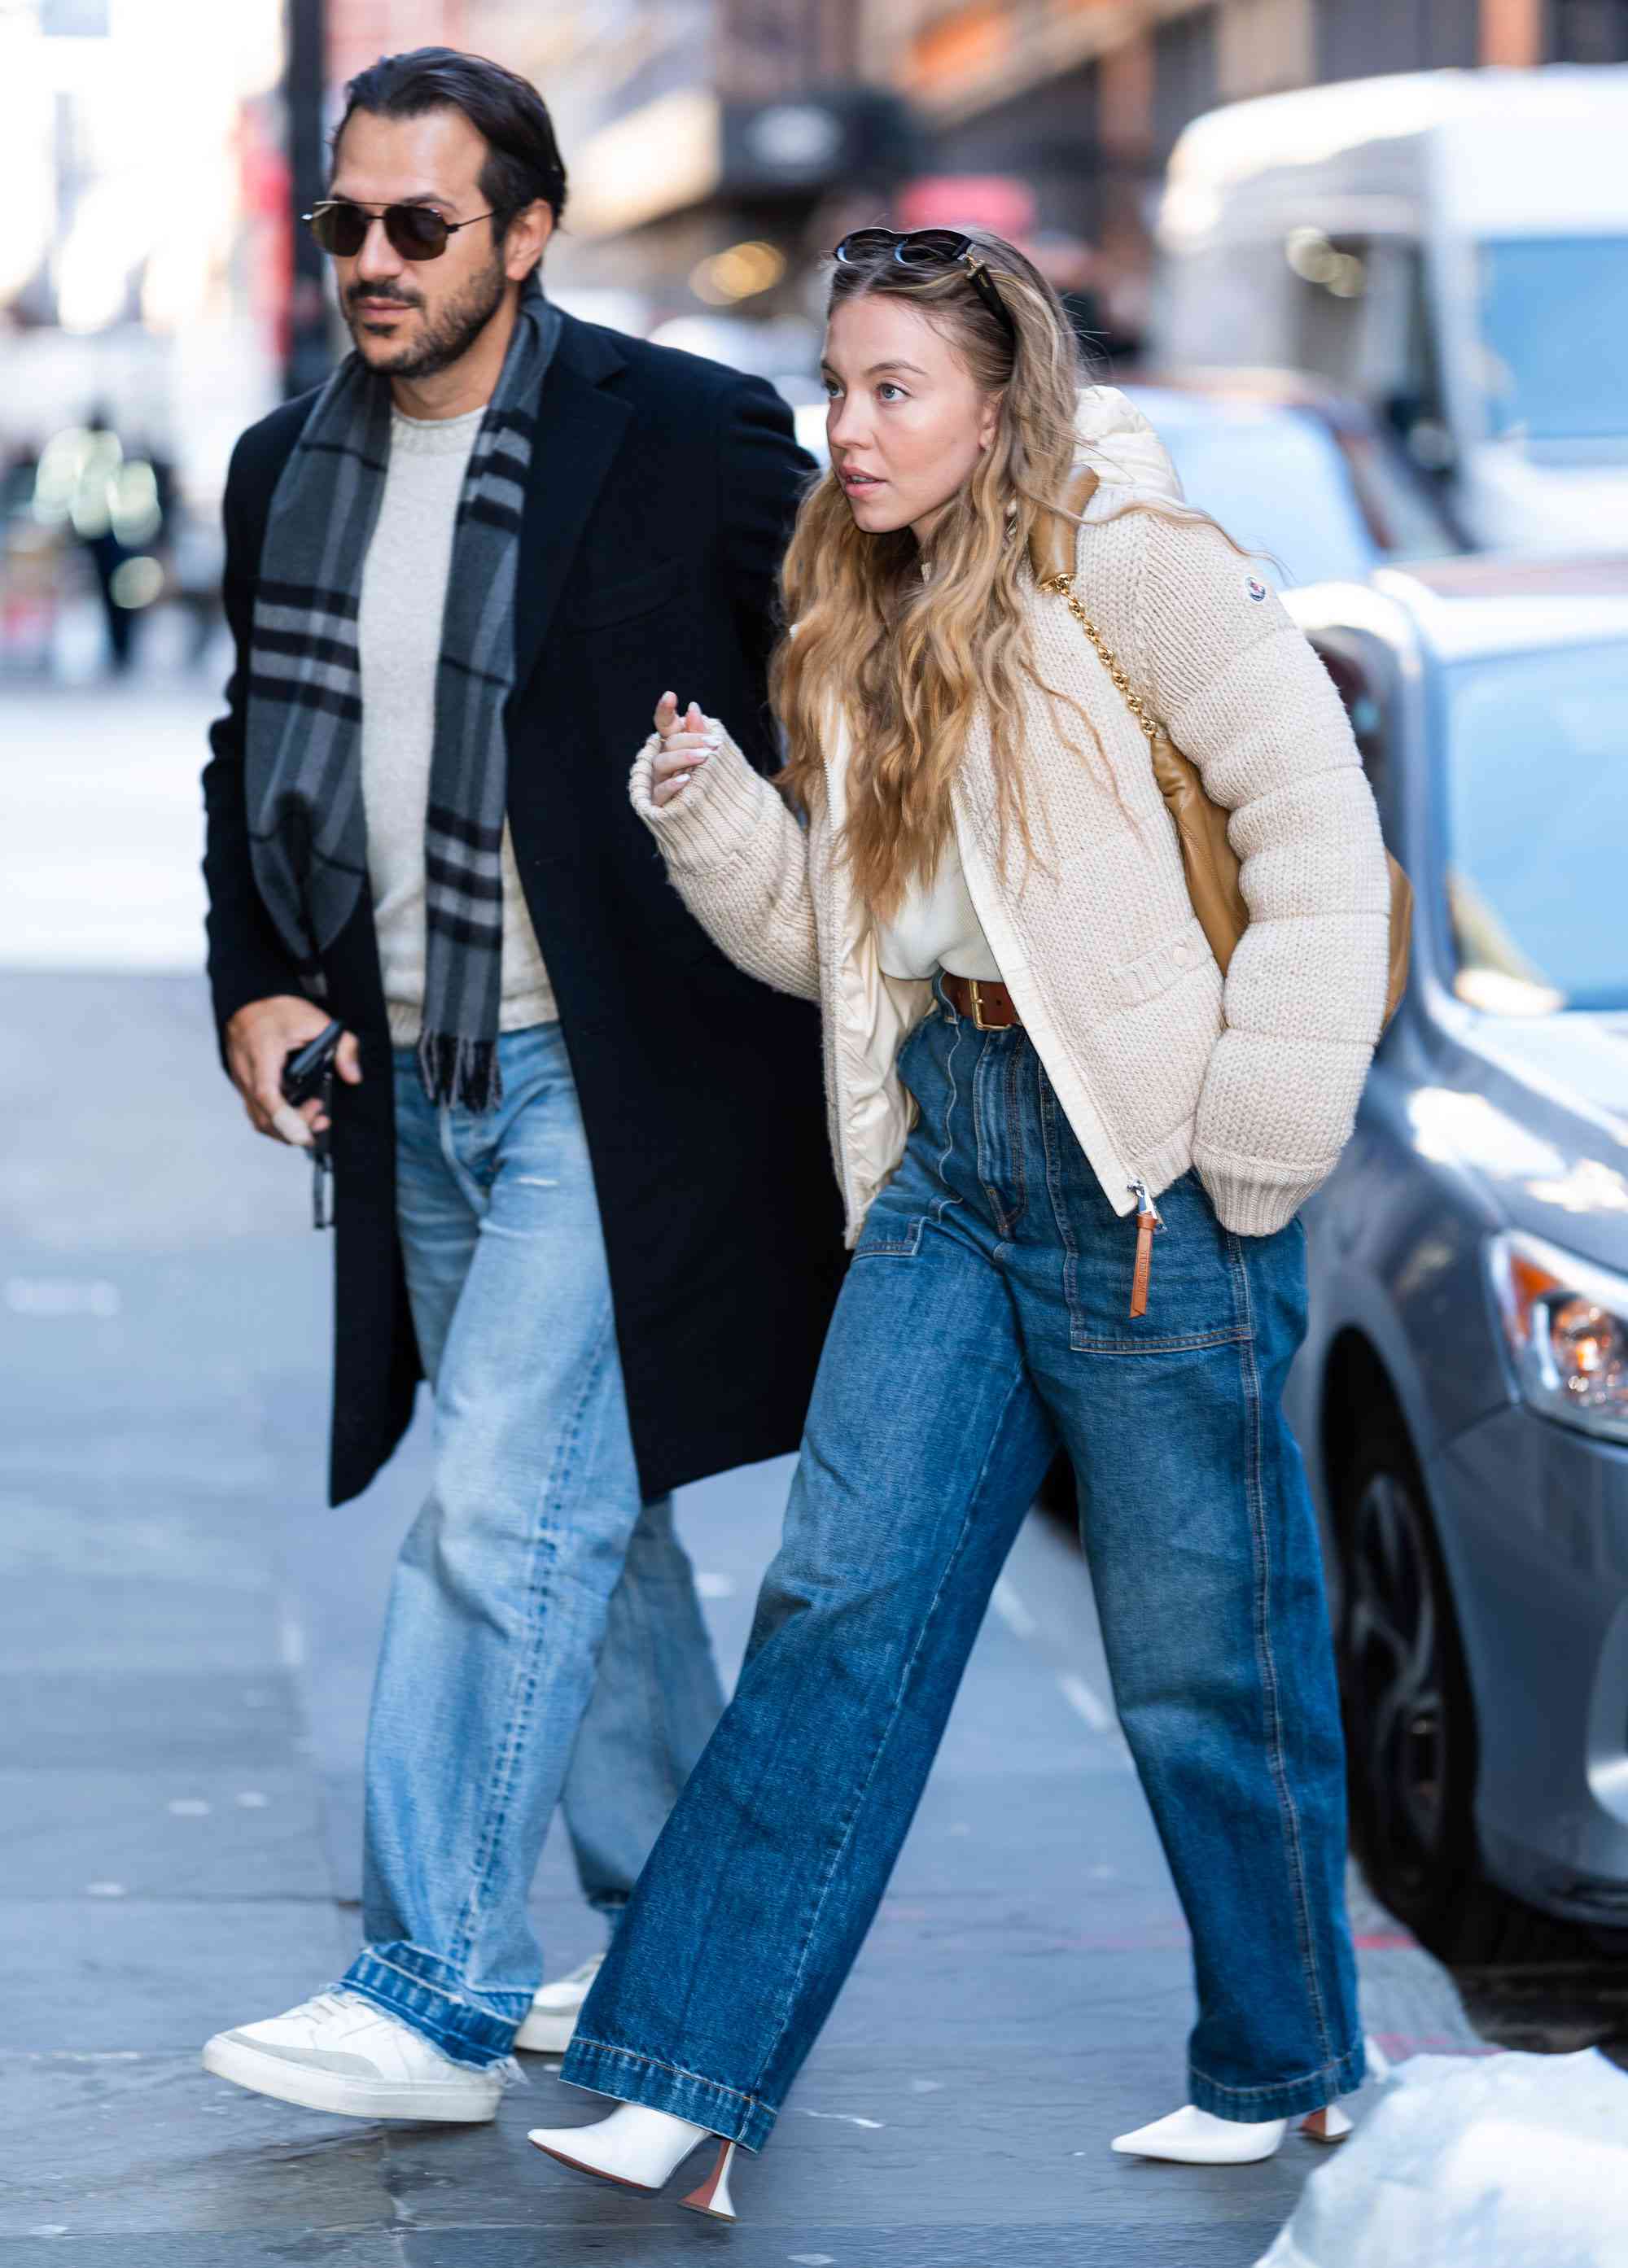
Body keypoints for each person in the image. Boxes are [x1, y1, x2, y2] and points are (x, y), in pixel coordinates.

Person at [526, 226, 1392, 2218]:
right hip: (952, 1162)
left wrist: (1256, 1115)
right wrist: (712, 810)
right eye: (836, 386)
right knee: (837, 1606)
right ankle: (683, 2072)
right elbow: (841, 945)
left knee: (1206, 1658)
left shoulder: (1135, 565)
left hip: (1144, 1168)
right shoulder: (855, 600)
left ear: (1003, 403)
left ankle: (1285, 2057)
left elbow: (1316, 827)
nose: (846, 425)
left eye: (891, 388)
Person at [196, 47, 843, 2122]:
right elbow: (253, 763)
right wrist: (256, 986)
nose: (370, 265)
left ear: (529, 230)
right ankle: (687, 1954)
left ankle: (438, 1982)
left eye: (419, 226)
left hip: (624, 1086)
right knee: (598, 1520)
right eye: (345, 224)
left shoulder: (688, 436)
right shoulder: (282, 464)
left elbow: (862, 674)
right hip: (415, 1088)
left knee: (496, 1509)